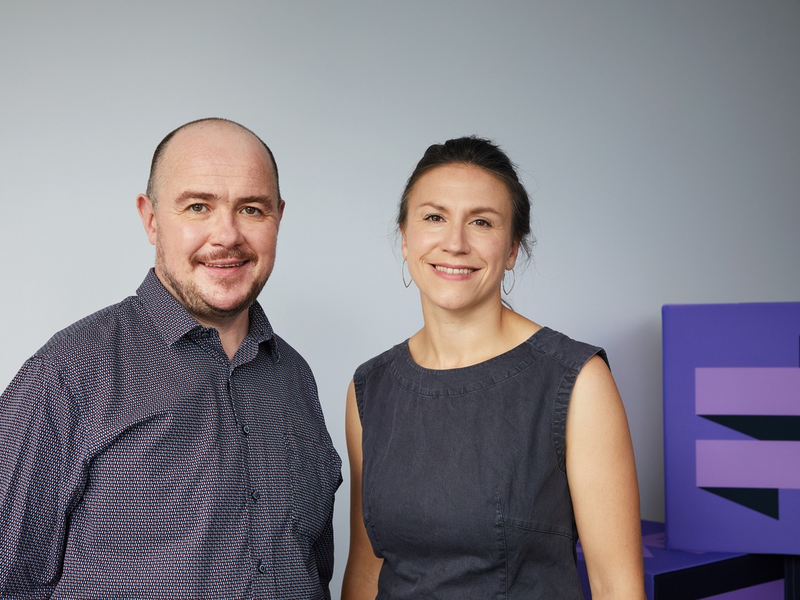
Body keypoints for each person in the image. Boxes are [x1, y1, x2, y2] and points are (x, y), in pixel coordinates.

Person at [0, 118, 342, 599]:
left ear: (278, 217)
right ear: (151, 218)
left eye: (251, 209)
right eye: (198, 207)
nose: (227, 235)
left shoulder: (295, 378)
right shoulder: (67, 372)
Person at [341, 136, 645, 599]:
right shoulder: (370, 387)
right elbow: (366, 572)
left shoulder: (577, 380)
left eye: (481, 222)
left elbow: (616, 587)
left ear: (511, 250)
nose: (455, 242)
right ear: (405, 238)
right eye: (434, 217)